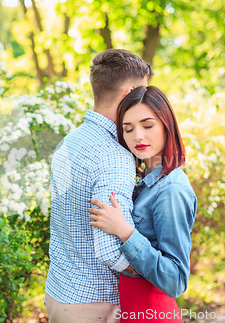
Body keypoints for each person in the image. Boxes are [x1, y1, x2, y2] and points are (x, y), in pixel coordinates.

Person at [44, 49, 153, 323]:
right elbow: (109, 251)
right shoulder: (115, 156)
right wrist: (152, 270)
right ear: (130, 93)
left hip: (59, 292)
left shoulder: (69, 141)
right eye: (144, 94)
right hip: (94, 305)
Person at [89, 86, 197, 322]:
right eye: (128, 129)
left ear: (166, 125)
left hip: (151, 311)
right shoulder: (143, 181)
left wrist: (125, 232)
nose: (137, 136)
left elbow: (176, 280)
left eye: (148, 126)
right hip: (130, 307)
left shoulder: (171, 190)